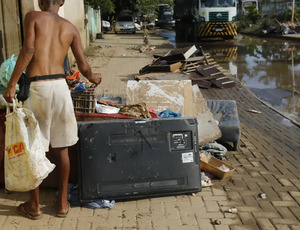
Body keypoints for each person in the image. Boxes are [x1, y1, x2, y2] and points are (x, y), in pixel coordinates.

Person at [3, 0, 101, 219]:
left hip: (38, 89)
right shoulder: (70, 27)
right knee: (62, 148)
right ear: (63, 2)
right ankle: (63, 202)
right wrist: (94, 78)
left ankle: (34, 206)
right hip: (60, 88)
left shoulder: (33, 17)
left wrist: (12, 84)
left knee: (35, 147)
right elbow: (84, 66)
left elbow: (29, 49)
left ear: (40, 1)